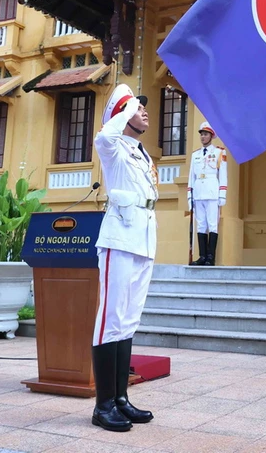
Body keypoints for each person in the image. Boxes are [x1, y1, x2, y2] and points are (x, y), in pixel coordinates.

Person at [91, 83, 157, 433]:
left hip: (142, 241)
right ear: (121, 115)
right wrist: (124, 108)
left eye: (142, 107)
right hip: (119, 240)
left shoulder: (140, 152)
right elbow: (103, 136)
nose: (144, 111)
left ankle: (119, 400)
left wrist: (130, 106)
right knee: (110, 319)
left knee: (127, 322)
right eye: (136, 108)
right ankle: (102, 406)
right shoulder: (113, 146)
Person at [187, 121, 228, 266]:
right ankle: (202, 256)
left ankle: (211, 257)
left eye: (205, 134)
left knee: (212, 225)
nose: (203, 137)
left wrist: (222, 194)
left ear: (211, 136)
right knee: (201, 225)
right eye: (202, 134)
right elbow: (191, 176)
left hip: (212, 192)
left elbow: (222, 174)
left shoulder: (219, 152)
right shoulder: (195, 155)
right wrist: (189, 196)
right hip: (198, 192)